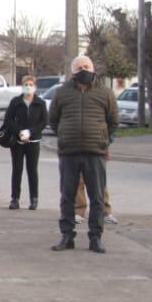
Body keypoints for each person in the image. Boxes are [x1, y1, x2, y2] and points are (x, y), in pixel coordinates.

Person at [49, 56, 119, 254]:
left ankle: (95, 237)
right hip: (69, 152)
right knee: (67, 196)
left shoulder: (105, 93)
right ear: (73, 72)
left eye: (87, 66)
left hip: (95, 152)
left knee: (97, 196)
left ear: (93, 69)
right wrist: (65, 135)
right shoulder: (62, 93)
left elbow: (113, 121)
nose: (84, 70)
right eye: (79, 67)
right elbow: (53, 120)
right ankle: (67, 235)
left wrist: (104, 140)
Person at [3, 75, 47, 211]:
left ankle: (34, 199)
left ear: (35, 86)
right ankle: (15, 198)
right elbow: (8, 120)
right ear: (22, 86)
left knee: (32, 170)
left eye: (30, 84)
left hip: (33, 141)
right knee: (17, 169)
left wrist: (30, 132)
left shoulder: (40, 103)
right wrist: (20, 132)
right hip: (18, 141)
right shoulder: (15, 102)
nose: (28, 86)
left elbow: (43, 122)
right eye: (26, 84)